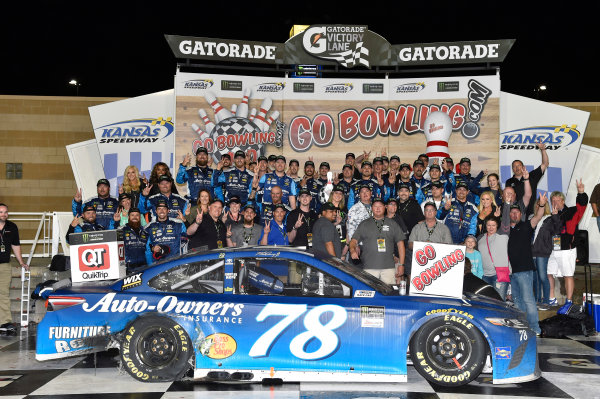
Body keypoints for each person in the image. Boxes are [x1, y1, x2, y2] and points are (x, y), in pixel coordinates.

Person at [507, 193, 547, 336]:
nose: (514, 214)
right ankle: (523, 327)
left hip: (524, 270)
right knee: (517, 302)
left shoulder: (526, 226)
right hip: (511, 271)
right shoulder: (504, 230)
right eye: (512, 212)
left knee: (528, 300)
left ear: (521, 214)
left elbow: (538, 216)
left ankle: (535, 328)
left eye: (517, 212)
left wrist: (541, 205)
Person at [548, 180, 588, 314]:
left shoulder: (571, 211)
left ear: (563, 201)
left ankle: (569, 302)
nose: (555, 202)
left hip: (567, 249)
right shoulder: (552, 216)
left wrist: (581, 193)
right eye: (553, 200)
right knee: (549, 272)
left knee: (568, 275)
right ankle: (552, 298)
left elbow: (582, 206)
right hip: (554, 249)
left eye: (558, 200)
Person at [349, 198, 406, 284]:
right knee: (370, 294)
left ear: (385, 207)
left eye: (380, 206)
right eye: (375, 206)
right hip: (369, 267)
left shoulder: (392, 223)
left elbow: (400, 244)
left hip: (388, 268)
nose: (378, 208)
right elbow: (353, 241)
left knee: (389, 294)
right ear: (372, 208)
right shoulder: (364, 224)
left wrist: (401, 264)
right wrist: (352, 250)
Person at [0, 203, 28, 327]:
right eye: (1, 212)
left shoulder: (12, 227)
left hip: (4, 265)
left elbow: (15, 246)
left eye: (5, 212)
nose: (3, 214)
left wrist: (21, 262)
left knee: (4, 294)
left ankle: (4, 322)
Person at [505, 142, 549, 216]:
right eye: (514, 166)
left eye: (519, 165)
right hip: (516, 214)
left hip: (532, 213)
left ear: (523, 167)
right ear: (512, 169)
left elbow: (545, 164)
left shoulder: (531, 176)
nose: (517, 168)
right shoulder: (509, 182)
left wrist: (543, 150)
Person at [531, 197, 555, 310]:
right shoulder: (533, 218)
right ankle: (536, 300)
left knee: (542, 276)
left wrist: (555, 216)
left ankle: (546, 301)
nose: (538, 206)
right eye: (537, 204)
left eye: (540, 204)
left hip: (542, 252)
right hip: (532, 252)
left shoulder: (549, 218)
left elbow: (557, 230)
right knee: (535, 278)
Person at [478, 216, 509, 300]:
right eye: (489, 225)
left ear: (497, 226)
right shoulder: (480, 238)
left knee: (499, 301)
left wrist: (507, 204)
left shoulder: (502, 235)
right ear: (485, 226)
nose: (491, 227)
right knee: (487, 302)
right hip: (484, 275)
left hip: (499, 274)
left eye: (493, 225)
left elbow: (506, 222)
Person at [119, 208, 148, 272]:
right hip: (128, 266)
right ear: (128, 217)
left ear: (140, 217)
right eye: (132, 215)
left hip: (143, 266)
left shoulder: (145, 231)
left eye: (137, 215)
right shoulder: (122, 230)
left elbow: (148, 249)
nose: (135, 217)